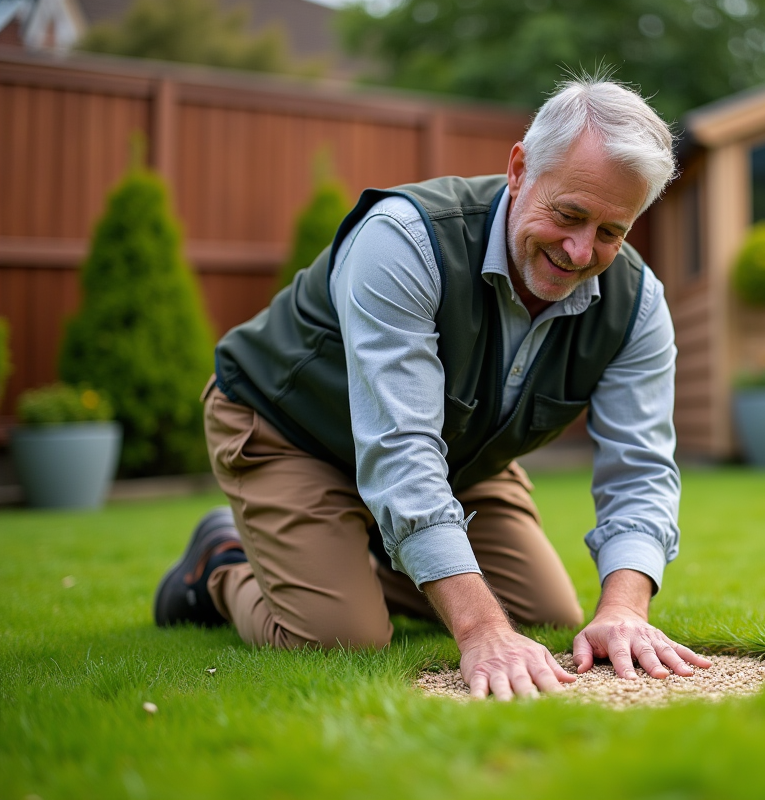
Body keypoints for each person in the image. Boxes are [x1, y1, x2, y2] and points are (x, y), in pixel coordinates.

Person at [154, 76, 712, 700]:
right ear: (520, 169)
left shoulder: (637, 306)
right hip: (291, 431)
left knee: (543, 617)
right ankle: (221, 563)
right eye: (569, 215)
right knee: (343, 635)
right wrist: (477, 630)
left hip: (458, 458)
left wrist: (626, 612)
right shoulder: (405, 240)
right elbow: (399, 452)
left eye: (612, 232)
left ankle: (350, 553)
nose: (581, 251)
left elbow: (641, 470)